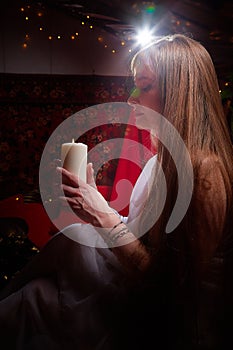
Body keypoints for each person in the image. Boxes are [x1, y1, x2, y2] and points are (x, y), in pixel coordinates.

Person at [0, 33, 233, 350]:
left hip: (166, 322)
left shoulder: (207, 175)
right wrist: (94, 213)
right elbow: (150, 236)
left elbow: (173, 292)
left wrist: (103, 216)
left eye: (145, 85)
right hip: (133, 286)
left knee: (32, 304)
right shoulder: (162, 161)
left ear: (179, 92)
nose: (131, 98)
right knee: (41, 285)